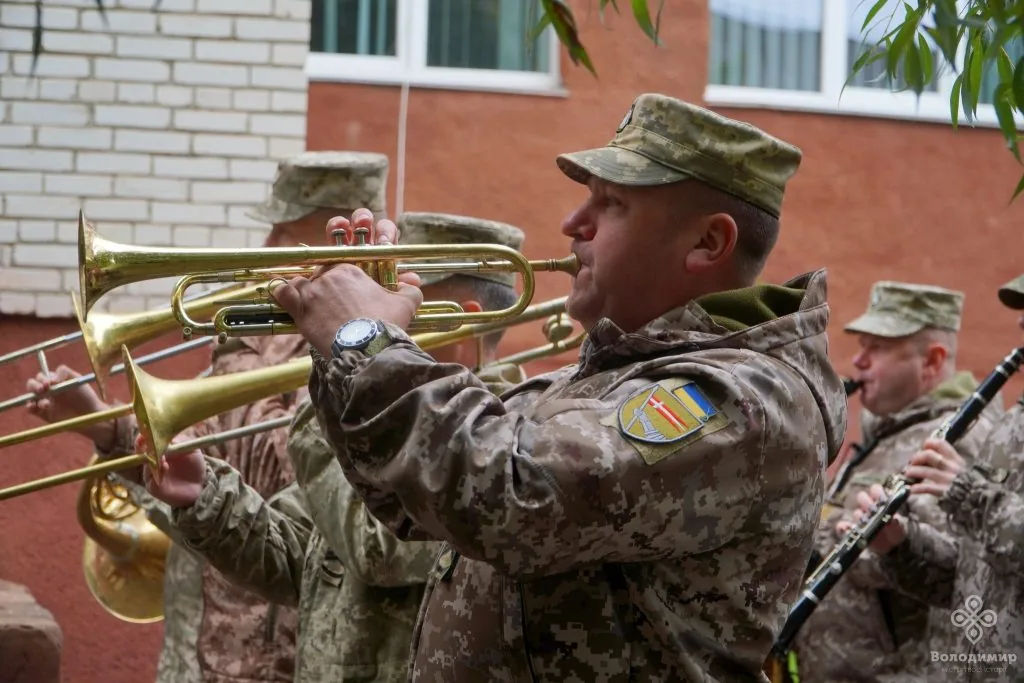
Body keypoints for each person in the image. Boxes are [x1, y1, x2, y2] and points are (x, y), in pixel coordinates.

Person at [256, 93, 849, 681]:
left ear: (707, 243)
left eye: (611, 204)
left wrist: (363, 338)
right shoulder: (602, 376)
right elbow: (418, 507)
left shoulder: (736, 400)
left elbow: (507, 495)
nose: (573, 224)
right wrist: (336, 348)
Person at [25, 151, 390, 683]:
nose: (266, 249)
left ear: (330, 241)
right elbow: (189, 472)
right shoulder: (257, 342)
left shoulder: (349, 355)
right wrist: (105, 425)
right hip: (193, 654)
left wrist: (244, 364)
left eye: (283, 234)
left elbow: (288, 493)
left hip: (272, 663)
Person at [140, 212, 532, 682]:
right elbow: (296, 557)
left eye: (393, 306)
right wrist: (206, 497)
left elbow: (375, 549)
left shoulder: (490, 440)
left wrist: (337, 372)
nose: (368, 319)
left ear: (463, 330)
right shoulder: (383, 421)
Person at [792, 282, 1003, 683]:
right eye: (861, 345)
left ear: (932, 360)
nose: (859, 360)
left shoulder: (961, 440)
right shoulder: (892, 433)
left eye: (878, 348)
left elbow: (951, 567)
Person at [851, 273, 1024, 683]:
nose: (1020, 324)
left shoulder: (980, 428)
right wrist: (900, 544)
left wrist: (969, 495)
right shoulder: (1012, 424)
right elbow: (973, 575)